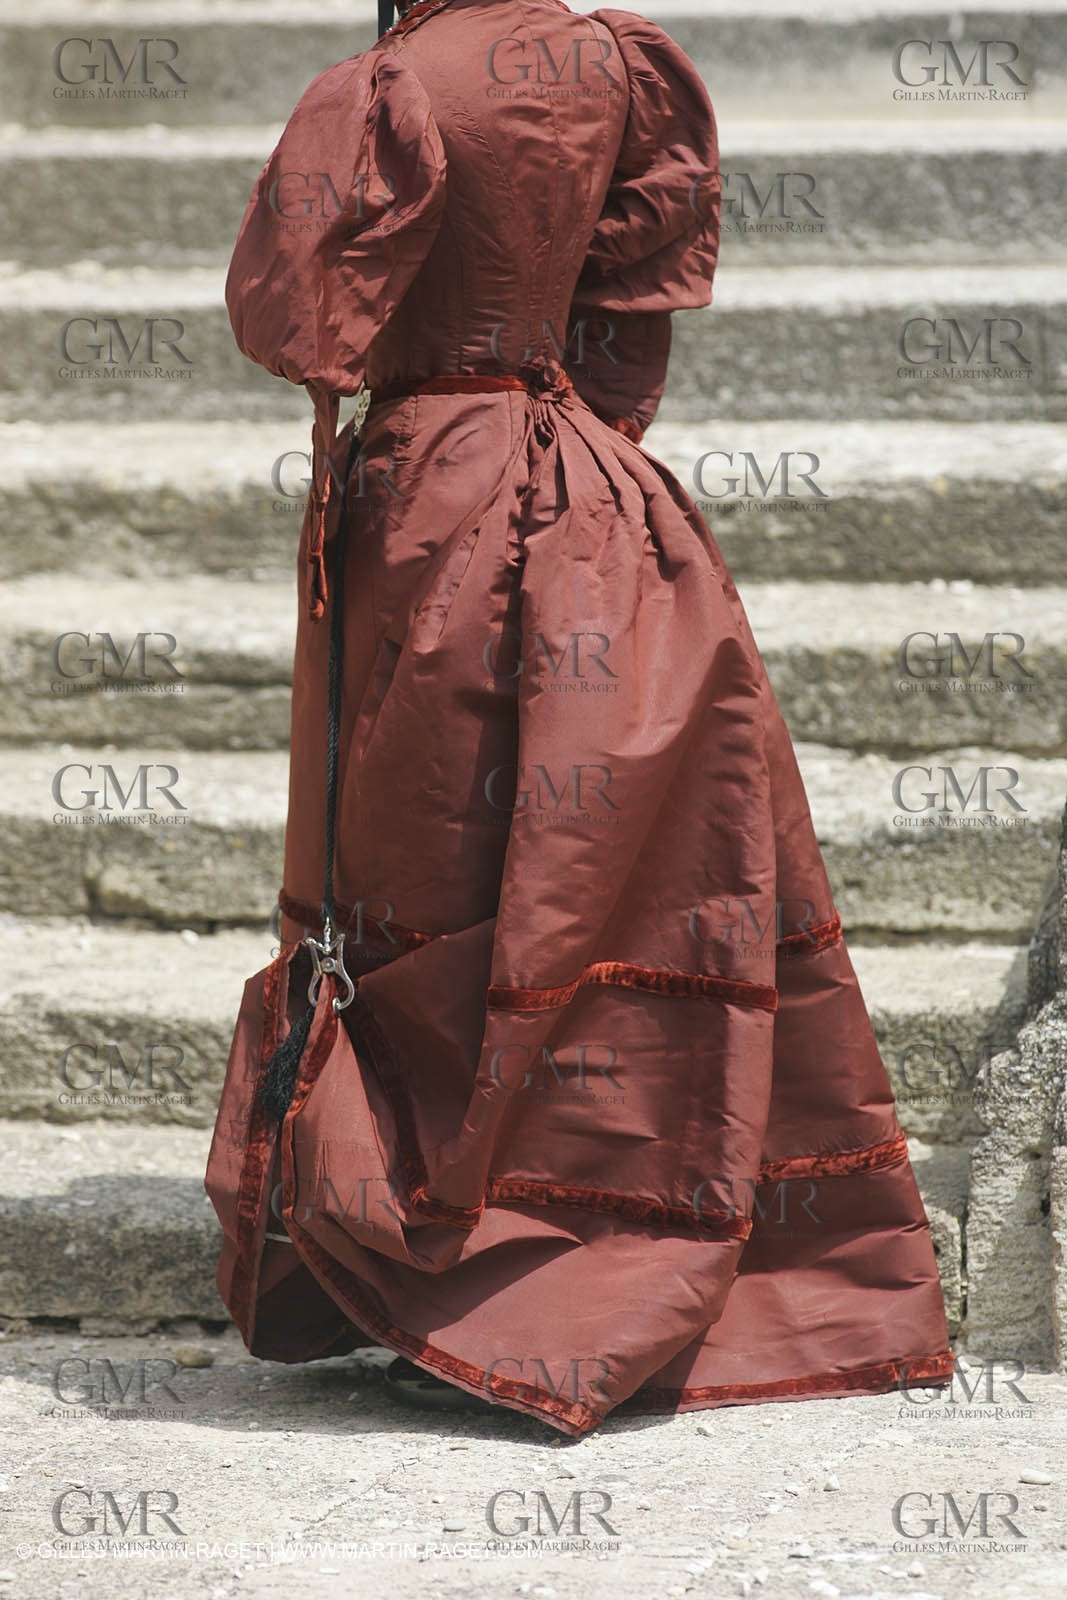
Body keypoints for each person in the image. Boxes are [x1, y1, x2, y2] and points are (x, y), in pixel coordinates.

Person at [205, 0, 952, 1436]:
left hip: (435, 501)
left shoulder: (390, 84)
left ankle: (471, 1278)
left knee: (437, 861)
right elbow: (629, 312)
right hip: (605, 502)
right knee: (601, 879)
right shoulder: (622, 64)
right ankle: (650, 1261)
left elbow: (290, 319)